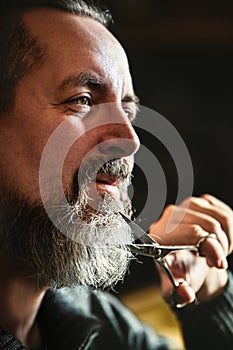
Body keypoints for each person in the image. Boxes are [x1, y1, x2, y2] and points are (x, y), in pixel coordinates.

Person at [0, 0, 232, 349]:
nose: (129, 140)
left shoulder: (98, 324)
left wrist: (209, 297)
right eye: (82, 100)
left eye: (128, 111)